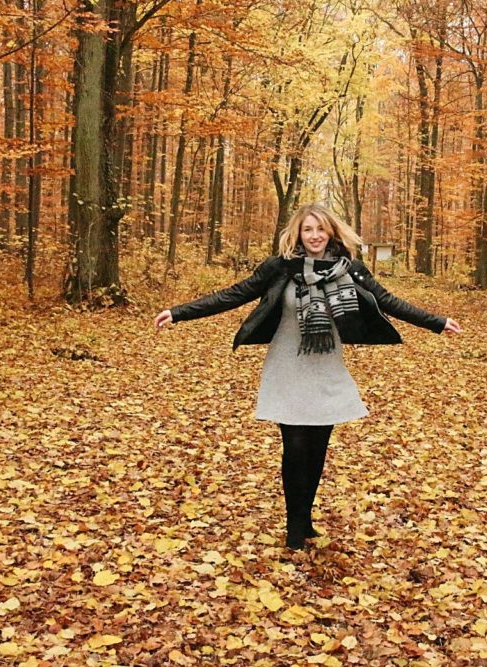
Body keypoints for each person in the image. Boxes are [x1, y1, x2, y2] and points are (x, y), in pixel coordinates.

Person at [154, 203, 461, 549]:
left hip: (326, 369)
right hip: (287, 368)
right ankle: (295, 526)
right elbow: (235, 294)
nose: (314, 236)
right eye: (307, 230)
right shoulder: (281, 267)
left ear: (331, 232)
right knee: (295, 446)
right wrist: (178, 313)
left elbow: (388, 301)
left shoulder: (350, 270)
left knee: (317, 449)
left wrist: (436, 322)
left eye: (320, 229)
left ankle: (306, 517)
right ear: (297, 234)